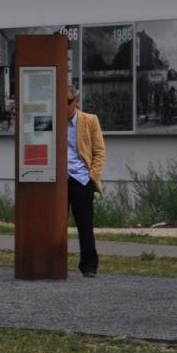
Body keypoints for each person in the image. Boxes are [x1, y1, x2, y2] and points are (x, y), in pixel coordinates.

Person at [66, 86, 106, 277]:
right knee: (56, 224)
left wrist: (92, 177)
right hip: (58, 179)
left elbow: (99, 151)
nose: (65, 107)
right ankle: (56, 262)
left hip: (81, 179)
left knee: (85, 225)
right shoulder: (52, 122)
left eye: (68, 102)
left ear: (76, 101)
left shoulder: (89, 120)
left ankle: (89, 266)